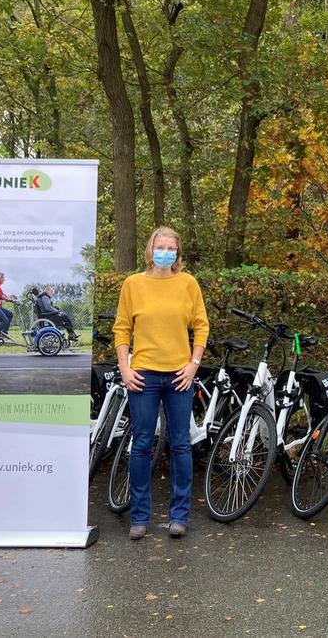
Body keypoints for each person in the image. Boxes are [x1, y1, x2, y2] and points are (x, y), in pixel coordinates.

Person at [113, 226, 208, 540]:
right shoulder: (133, 285)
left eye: (171, 248)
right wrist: (125, 368)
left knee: (180, 444)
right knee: (141, 444)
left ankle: (178, 516)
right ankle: (139, 517)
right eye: (160, 247)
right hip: (143, 376)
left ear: (178, 253)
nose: (165, 253)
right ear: (150, 249)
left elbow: (201, 326)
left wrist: (194, 365)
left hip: (180, 376)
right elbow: (122, 329)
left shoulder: (188, 283)